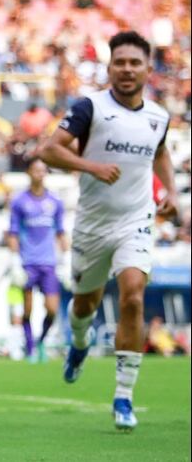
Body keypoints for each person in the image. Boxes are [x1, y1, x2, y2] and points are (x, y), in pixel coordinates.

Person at [39, 30, 178, 431]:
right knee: (84, 307)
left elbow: (162, 152)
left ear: (149, 69)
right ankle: (79, 344)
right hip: (92, 227)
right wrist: (92, 166)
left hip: (136, 220)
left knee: (134, 294)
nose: (128, 69)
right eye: (120, 62)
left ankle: (123, 397)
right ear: (109, 67)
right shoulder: (89, 108)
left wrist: (170, 191)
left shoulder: (158, 116)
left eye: (135, 62)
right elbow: (49, 149)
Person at [6, 158, 68, 363]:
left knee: (52, 308)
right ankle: (30, 347)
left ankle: (41, 340)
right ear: (29, 173)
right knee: (28, 309)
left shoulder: (55, 201)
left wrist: (66, 258)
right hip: (27, 262)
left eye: (43, 171)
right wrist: (15, 259)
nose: (39, 174)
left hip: (48, 262)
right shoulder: (19, 201)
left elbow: (60, 232)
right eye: (35, 170)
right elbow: (13, 232)